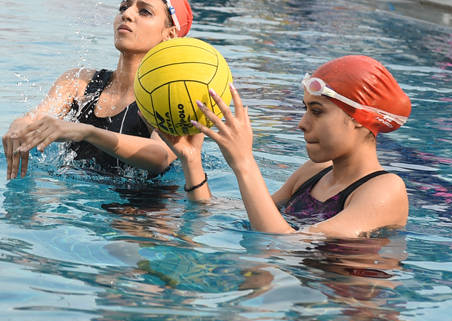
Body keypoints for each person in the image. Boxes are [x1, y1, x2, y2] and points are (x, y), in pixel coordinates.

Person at [162, 55, 412, 238]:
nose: (302, 124)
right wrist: (191, 159)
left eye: (316, 111)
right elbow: (240, 212)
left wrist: (243, 162)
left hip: (337, 305)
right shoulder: (314, 172)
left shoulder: (384, 190)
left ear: (359, 119)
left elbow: (284, 245)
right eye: (306, 110)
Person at [2, 0, 196, 181]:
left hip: (141, 207)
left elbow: (162, 156)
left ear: (170, 35)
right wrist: (20, 125)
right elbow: (36, 118)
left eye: (144, 11)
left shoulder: (169, 98)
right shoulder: (78, 82)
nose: (128, 14)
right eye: (123, 7)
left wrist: (88, 132)